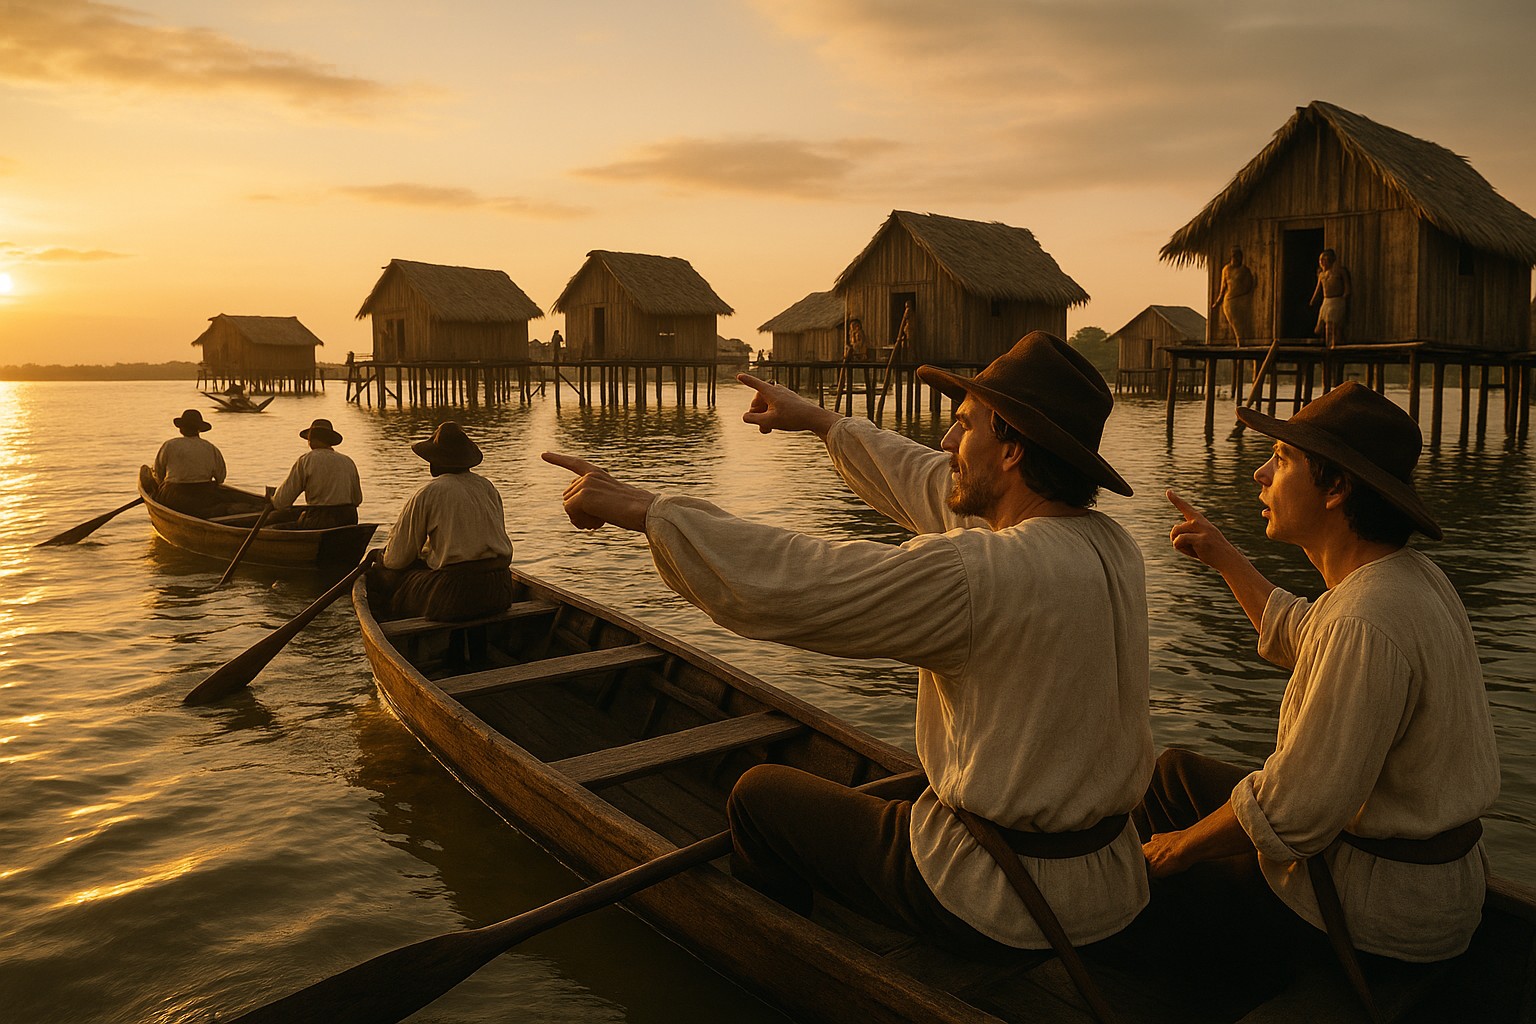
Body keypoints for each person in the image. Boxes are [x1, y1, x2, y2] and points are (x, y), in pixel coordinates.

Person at [545, 331, 1153, 957]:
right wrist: (821, 422)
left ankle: (783, 965)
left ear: (1011, 450)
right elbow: (934, 485)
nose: (946, 443)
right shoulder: (1112, 547)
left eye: (964, 426)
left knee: (758, 796)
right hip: (1108, 887)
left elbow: (801, 581)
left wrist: (647, 509)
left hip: (996, 898)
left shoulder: (982, 574)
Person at [1140, 382, 1499, 999]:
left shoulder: (1366, 620)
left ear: (1336, 490)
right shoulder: (1406, 580)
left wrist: (1178, 851)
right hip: (1426, 889)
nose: (1258, 472)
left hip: (1378, 914)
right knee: (1171, 774)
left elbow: (1294, 810)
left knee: (1145, 895)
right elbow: (1307, 634)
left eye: (1280, 461)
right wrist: (1224, 557)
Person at [369, 421, 514, 622]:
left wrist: (381, 557)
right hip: (501, 589)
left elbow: (397, 560)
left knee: (383, 577)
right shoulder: (487, 487)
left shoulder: (430, 492)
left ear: (435, 461)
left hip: (454, 594)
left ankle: (406, 637)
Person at [268, 418, 362, 530]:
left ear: (311, 440)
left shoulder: (306, 461)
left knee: (273, 524)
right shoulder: (348, 461)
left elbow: (281, 502)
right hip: (348, 520)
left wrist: (271, 500)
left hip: (319, 521)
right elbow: (357, 500)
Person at [152, 409, 227, 517]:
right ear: (199, 429)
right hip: (204, 496)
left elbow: (159, 474)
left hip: (174, 496)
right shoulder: (210, 448)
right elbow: (221, 478)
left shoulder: (169, 445)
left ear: (181, 428)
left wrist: (161, 486)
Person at [1212, 246, 1256, 346]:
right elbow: (1223, 288)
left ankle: (1242, 344)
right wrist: (1218, 302)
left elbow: (1249, 285)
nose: (1237, 259)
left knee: (1245, 325)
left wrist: (1243, 294)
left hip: (1242, 301)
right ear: (1232, 257)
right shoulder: (1226, 270)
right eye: (1235, 257)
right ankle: (1239, 343)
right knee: (1236, 325)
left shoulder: (1244, 270)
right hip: (1230, 301)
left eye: (1239, 257)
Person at [1310, 248, 1351, 348]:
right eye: (1320, 260)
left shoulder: (1340, 271)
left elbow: (1347, 286)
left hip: (1336, 300)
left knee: (1333, 324)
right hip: (1326, 301)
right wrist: (1313, 299)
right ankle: (1328, 344)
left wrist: (1345, 294)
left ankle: (1336, 344)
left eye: (1324, 260)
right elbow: (1318, 289)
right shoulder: (1321, 275)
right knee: (1320, 327)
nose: (1322, 263)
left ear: (1330, 260)